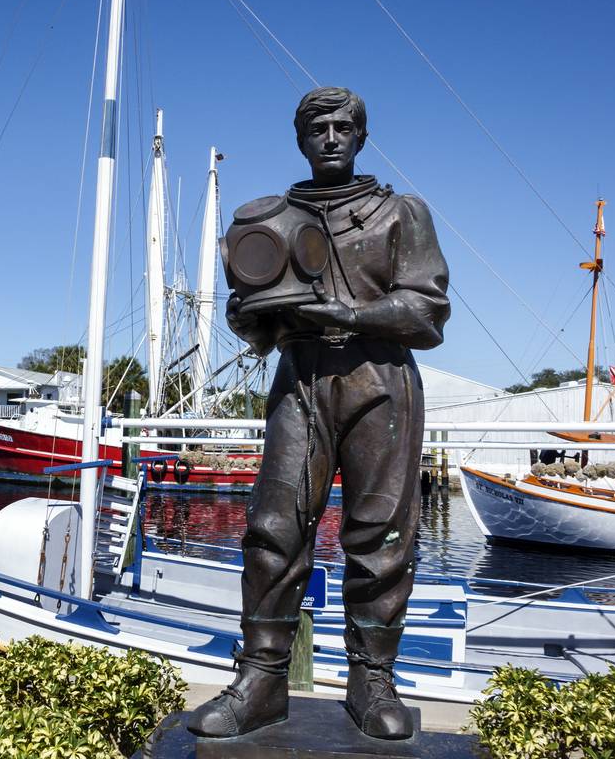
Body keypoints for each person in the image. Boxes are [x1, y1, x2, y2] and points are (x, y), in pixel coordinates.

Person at [189, 87, 450, 741]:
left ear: (361, 136)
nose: (330, 137)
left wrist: (351, 314)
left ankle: (372, 681)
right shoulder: (272, 220)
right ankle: (261, 681)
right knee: (273, 527)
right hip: (301, 377)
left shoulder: (400, 213)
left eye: (342, 127)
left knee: (381, 534)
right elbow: (251, 316)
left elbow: (426, 312)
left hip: (379, 377)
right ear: (300, 140)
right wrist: (247, 317)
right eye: (317, 128)